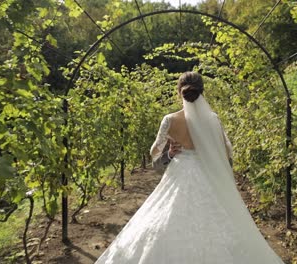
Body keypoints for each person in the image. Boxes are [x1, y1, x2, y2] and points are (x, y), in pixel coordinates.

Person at [95, 72, 283, 264]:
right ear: (202, 92)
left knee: (165, 215)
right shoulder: (213, 119)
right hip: (207, 172)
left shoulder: (170, 119)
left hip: (179, 172)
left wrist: (170, 152)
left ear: (179, 93)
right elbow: (227, 150)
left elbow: (154, 152)